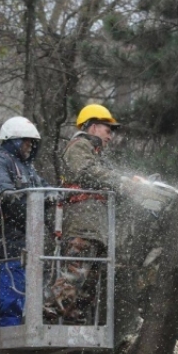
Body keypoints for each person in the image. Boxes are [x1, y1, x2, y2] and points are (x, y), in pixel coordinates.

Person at [46, 104, 128, 323]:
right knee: (74, 272)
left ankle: (72, 313)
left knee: (88, 280)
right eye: (107, 130)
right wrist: (120, 181)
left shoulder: (96, 154)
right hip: (83, 223)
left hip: (95, 227)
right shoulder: (79, 146)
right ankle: (51, 308)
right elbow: (86, 173)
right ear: (92, 127)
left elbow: (102, 178)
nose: (110, 136)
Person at [0, 117, 48, 326]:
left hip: (28, 243)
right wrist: (6, 190)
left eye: (31, 142)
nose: (29, 146)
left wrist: (58, 195)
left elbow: (44, 188)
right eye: (26, 141)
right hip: (8, 243)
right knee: (10, 294)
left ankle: (18, 325)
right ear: (14, 140)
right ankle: (8, 328)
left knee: (24, 293)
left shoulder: (29, 169)